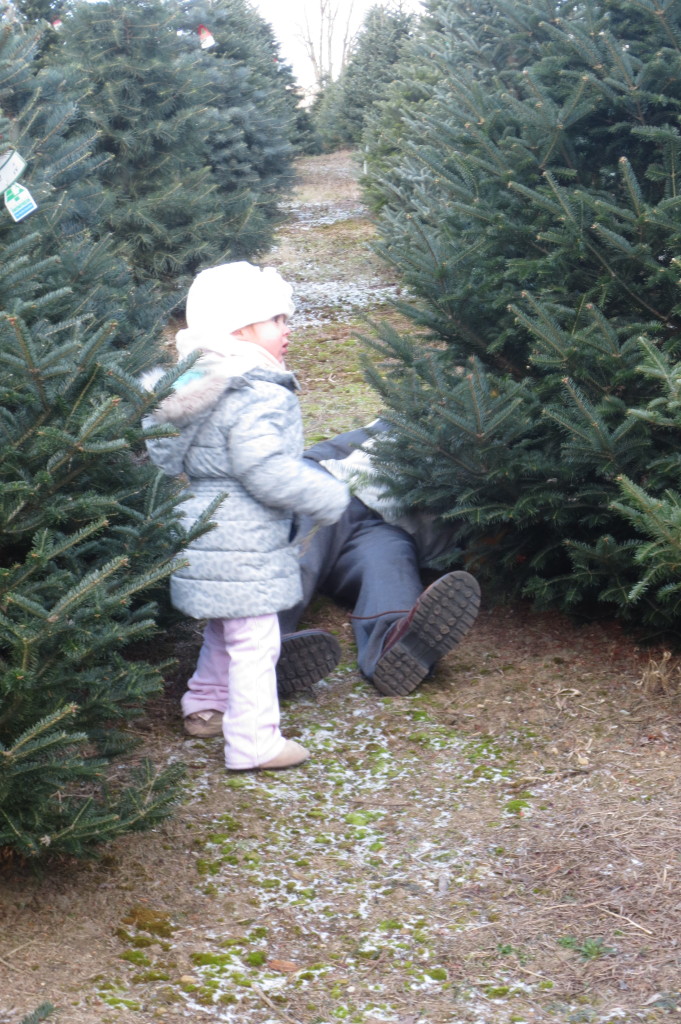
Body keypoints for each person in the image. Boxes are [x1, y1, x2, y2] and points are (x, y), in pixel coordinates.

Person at [144, 262, 350, 770]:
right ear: (240, 329)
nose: (288, 329)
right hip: (246, 535)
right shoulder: (258, 391)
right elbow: (267, 470)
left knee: (227, 625)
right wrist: (329, 496)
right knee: (257, 640)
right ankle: (254, 741)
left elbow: (166, 456)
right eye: (276, 319)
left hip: (202, 528)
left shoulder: (197, 386)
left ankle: (206, 704)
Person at [275, 422, 481, 699]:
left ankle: (395, 647)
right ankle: (261, 644)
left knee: (391, 575)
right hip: (335, 486)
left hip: (389, 531)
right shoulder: (429, 415)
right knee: (302, 556)